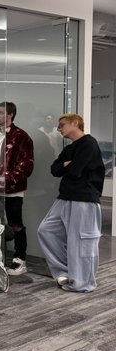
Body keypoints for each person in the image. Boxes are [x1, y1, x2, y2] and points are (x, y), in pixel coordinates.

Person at [38, 113, 105, 293]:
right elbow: (54, 169)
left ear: (75, 123)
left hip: (84, 198)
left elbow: (75, 171)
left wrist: (66, 166)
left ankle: (82, 283)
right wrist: (66, 165)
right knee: (46, 230)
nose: (59, 128)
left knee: (82, 240)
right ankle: (65, 271)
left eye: (62, 125)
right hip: (65, 196)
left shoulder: (89, 143)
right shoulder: (69, 148)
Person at [0, 102, 34, 276]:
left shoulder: (21, 136)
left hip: (12, 190)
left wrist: (7, 180)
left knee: (16, 224)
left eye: (1, 112)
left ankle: (20, 260)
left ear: (11, 115)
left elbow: (26, 165)